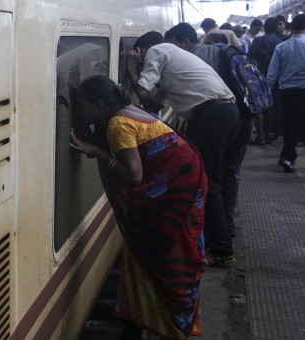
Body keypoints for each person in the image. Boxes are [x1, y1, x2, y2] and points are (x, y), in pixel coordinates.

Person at [70, 75, 207, 339]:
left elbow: (134, 175)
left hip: (172, 196)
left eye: (81, 105)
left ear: (99, 105)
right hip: (185, 186)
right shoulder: (127, 110)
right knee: (157, 257)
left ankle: (175, 327)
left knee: (167, 258)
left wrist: (96, 151)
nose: (78, 111)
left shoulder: (119, 125)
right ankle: (145, 323)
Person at [126, 31, 238, 266]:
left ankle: (222, 250)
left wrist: (132, 69)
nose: (142, 59)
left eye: (140, 54)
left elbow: (143, 89)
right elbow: (152, 103)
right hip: (226, 112)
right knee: (210, 179)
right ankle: (215, 242)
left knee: (208, 181)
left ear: (145, 48)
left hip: (211, 115)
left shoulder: (158, 50)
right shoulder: (174, 61)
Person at [167, 22, 252, 243]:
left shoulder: (196, 57)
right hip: (244, 115)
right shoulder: (224, 51)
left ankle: (218, 238)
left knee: (209, 177)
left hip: (220, 118)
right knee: (229, 171)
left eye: (173, 46)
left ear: (185, 43)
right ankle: (227, 224)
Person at [267, 14, 305, 173]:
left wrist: (266, 91)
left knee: (289, 123)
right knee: (297, 124)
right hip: (303, 90)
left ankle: (288, 156)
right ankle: (287, 157)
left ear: (291, 27)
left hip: (286, 91)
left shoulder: (281, 47)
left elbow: (272, 73)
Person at [248, 17, 282, 145]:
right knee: (272, 107)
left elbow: (249, 58)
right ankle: (269, 134)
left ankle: (261, 136)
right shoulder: (280, 42)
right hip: (277, 79)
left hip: (259, 77)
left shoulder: (258, 40)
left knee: (260, 107)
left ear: (265, 27)